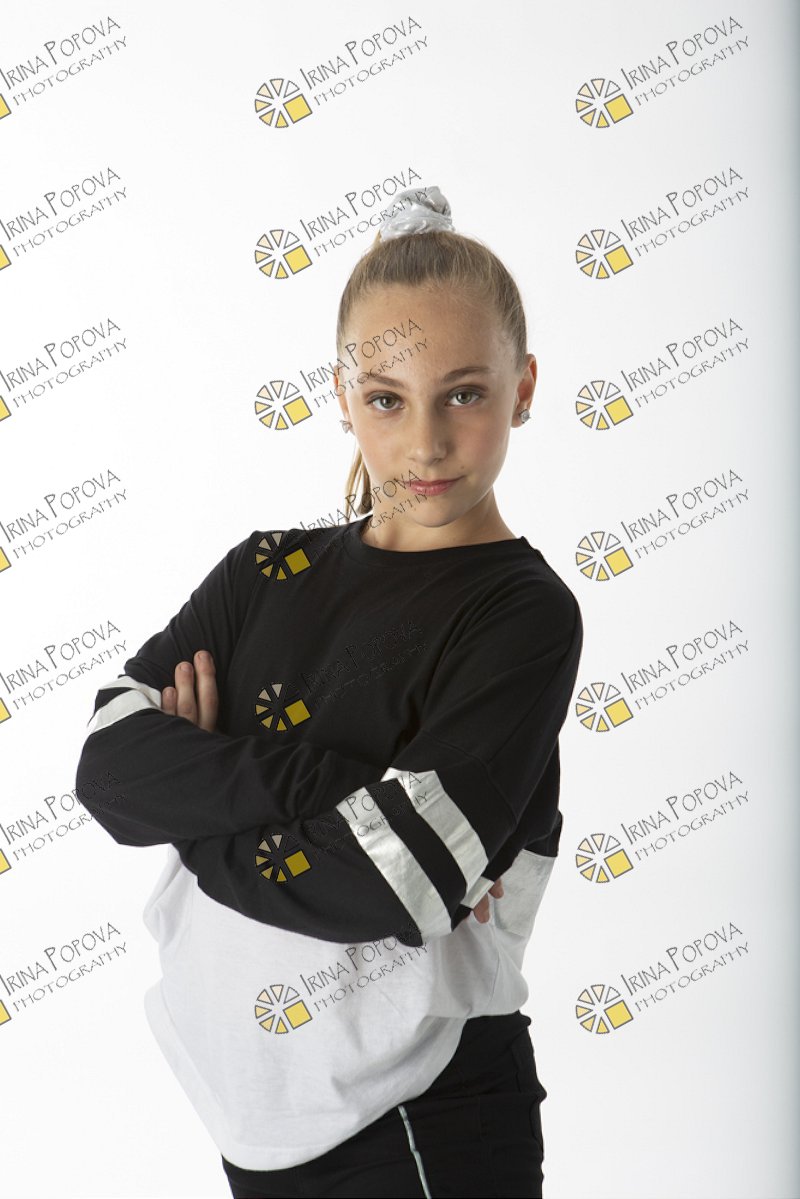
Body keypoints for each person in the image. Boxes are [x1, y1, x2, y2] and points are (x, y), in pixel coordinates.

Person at [75, 184, 584, 1198]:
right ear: (342, 394)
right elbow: (109, 769)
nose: (425, 441)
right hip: (254, 1127)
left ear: (522, 386)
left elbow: (390, 881)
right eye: (387, 398)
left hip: (421, 1120)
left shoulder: (520, 615)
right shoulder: (266, 570)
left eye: (464, 394)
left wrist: (195, 809)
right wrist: (344, 794)